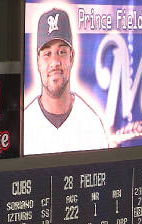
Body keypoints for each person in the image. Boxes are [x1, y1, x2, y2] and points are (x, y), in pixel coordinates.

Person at [24, 7, 109, 155]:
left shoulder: (92, 124)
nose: (55, 61)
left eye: (61, 52)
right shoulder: (24, 125)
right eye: (47, 54)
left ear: (71, 57)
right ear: (37, 61)